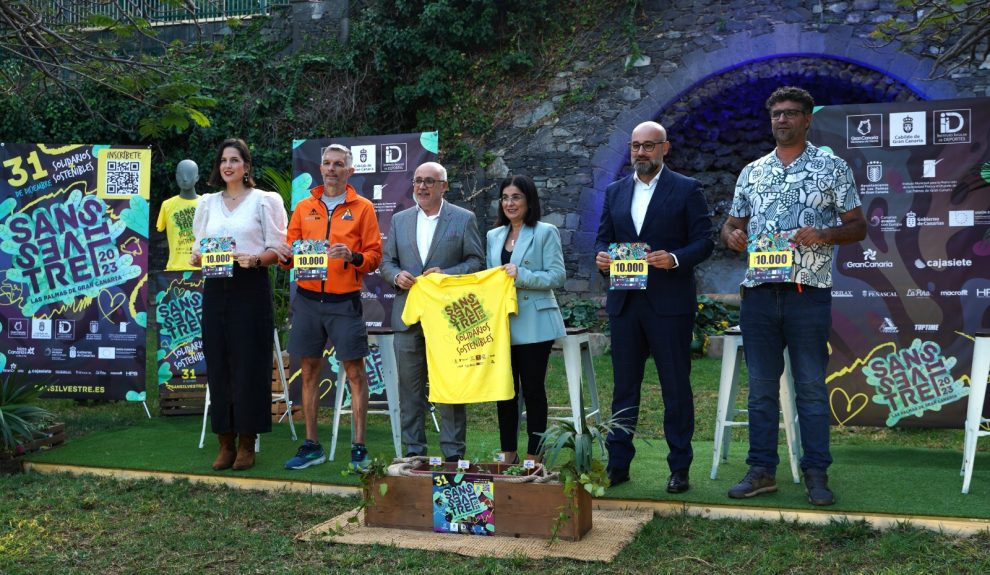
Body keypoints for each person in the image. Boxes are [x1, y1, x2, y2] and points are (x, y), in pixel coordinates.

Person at [721, 86, 866, 506]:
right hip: (760, 294)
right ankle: (761, 470)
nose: (782, 120)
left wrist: (824, 234)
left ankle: (816, 472)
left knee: (810, 388)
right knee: (762, 388)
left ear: (807, 119)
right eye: (776, 115)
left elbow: (858, 226)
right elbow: (731, 224)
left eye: (790, 114)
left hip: (809, 293)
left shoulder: (831, 166)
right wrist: (732, 234)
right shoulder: (752, 171)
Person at [594, 121, 714, 493]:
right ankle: (617, 465)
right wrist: (601, 259)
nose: (641, 153)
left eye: (648, 146)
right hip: (626, 302)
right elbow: (603, 240)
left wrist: (675, 259)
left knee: (675, 387)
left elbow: (705, 241)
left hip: (669, 304)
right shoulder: (614, 191)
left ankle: (679, 467)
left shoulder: (687, 189)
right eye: (635, 146)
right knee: (623, 389)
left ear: (665, 148)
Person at [191, 138, 290, 471]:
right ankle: (225, 441)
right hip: (215, 285)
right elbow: (199, 249)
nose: (228, 166)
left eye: (235, 160)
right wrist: (196, 257)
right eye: (223, 160)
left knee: (250, 364)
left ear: (247, 166)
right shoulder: (207, 203)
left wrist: (257, 261)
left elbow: (280, 249)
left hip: (251, 284)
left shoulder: (265, 200)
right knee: (218, 362)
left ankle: (248, 442)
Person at [282, 144, 382, 471]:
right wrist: (287, 258)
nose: (332, 169)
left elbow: (374, 258)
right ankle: (312, 446)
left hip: (344, 302)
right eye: (327, 163)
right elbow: (290, 252)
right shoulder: (303, 206)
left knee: (355, 373)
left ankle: (359, 448)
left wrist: (352, 257)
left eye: (339, 164)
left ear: (349, 171)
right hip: (309, 301)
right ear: (320, 167)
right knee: (308, 372)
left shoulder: (363, 207)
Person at [380, 161, 484, 462]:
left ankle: (453, 455)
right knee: (410, 390)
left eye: (429, 181)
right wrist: (396, 276)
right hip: (408, 316)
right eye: (417, 181)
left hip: (448, 322)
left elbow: (476, 262)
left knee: (450, 388)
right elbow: (388, 263)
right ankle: (414, 454)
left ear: (444, 186)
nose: (422, 186)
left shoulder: (464, 219)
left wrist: (447, 274)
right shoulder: (399, 220)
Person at [486, 175, 565, 463]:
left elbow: (557, 276)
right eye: (505, 197)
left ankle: (535, 454)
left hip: (535, 325)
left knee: (533, 391)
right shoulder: (493, 236)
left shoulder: (545, 232)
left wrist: (523, 275)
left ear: (529, 201)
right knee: (504, 390)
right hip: (503, 324)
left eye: (516, 197)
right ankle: (508, 453)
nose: (509, 203)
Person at [157, 159, 200, 271]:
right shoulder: (167, 205)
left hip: (200, 269)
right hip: (175, 270)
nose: (185, 178)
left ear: (197, 177)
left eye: (190, 175)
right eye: (181, 175)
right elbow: (160, 228)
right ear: (176, 177)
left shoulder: (206, 203)